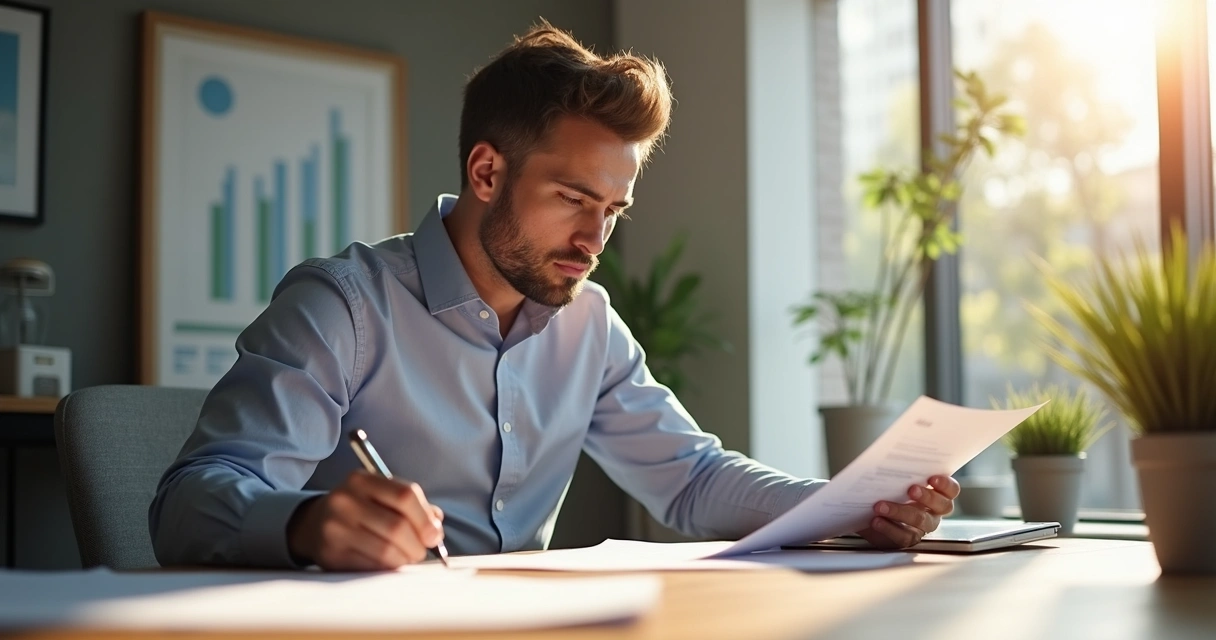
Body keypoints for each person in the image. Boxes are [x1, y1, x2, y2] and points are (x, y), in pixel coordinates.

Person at [149, 22, 959, 571]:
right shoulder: (344, 307)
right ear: (486, 172)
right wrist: (305, 524)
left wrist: (850, 506)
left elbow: (691, 479)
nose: (594, 239)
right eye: (572, 198)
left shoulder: (589, 324)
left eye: (613, 210)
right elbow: (186, 503)